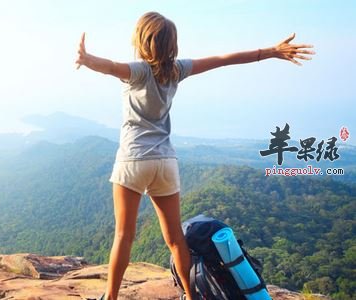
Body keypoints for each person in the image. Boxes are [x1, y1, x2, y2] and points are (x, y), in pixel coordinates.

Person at [75, 11, 315, 300]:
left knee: (124, 235)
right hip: (165, 163)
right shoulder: (176, 70)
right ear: (170, 44)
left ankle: (111, 297)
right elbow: (223, 59)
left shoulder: (139, 70)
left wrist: (88, 60)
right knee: (176, 239)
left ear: (142, 41)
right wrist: (271, 52)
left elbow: (112, 67)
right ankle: (189, 296)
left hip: (133, 159)